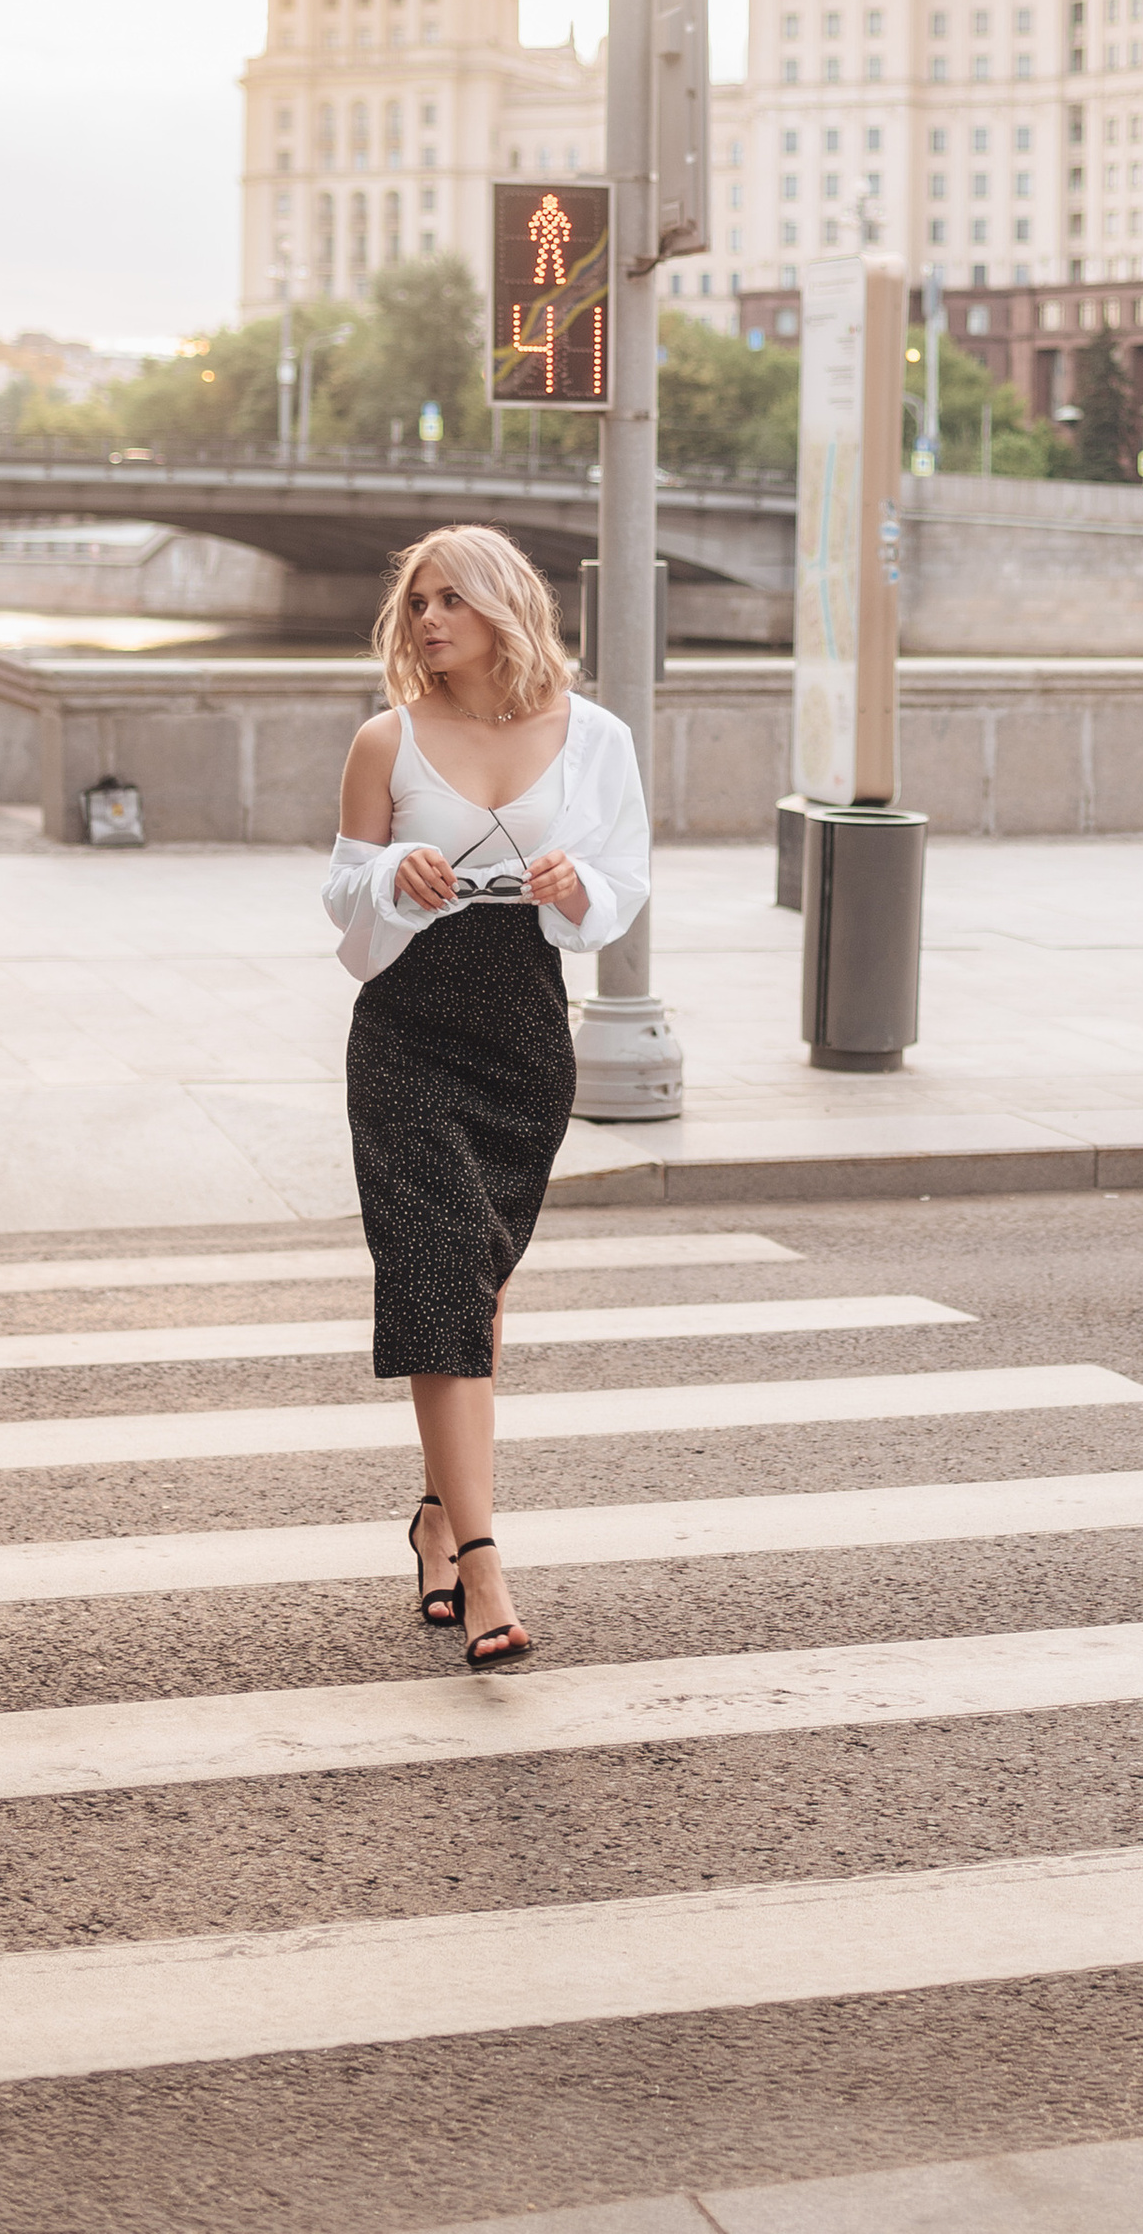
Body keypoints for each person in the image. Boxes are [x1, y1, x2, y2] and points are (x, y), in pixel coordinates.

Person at [324, 524, 649, 1668]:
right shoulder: (387, 739)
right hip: (409, 1023)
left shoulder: (596, 738)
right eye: (416, 601)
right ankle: (483, 1561)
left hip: (521, 1027)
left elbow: (627, 879)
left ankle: (429, 1515)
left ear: (505, 605)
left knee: (476, 1281)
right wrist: (389, 875)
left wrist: (577, 887)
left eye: (450, 599)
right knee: (438, 1263)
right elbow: (338, 891)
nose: (426, 620)